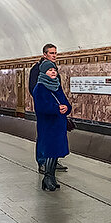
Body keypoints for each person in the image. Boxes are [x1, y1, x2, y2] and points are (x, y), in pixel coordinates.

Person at [32, 59, 71, 191]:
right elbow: (40, 107)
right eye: (50, 70)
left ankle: (52, 177)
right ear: (43, 72)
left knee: (55, 153)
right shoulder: (40, 88)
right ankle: (47, 178)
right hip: (47, 125)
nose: (53, 72)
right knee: (50, 151)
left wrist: (67, 108)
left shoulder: (57, 85)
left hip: (59, 125)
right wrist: (56, 108)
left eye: (54, 69)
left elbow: (65, 102)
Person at [29, 44, 67, 174]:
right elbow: (33, 88)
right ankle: (42, 161)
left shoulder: (54, 69)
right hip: (44, 109)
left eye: (56, 53)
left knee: (55, 135)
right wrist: (44, 102)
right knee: (43, 135)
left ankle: (53, 161)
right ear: (45, 54)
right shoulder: (37, 69)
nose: (54, 55)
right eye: (51, 53)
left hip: (56, 109)